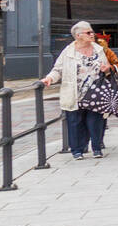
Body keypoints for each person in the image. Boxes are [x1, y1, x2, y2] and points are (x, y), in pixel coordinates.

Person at [42, 21, 112, 160]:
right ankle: (77, 150)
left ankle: (97, 148)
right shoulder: (68, 52)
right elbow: (58, 69)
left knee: (95, 121)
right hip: (75, 93)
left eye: (92, 32)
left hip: (95, 93)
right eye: (89, 32)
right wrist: (49, 78)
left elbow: (107, 66)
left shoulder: (98, 49)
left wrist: (107, 68)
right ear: (78, 35)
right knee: (75, 122)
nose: (92, 34)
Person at [90, 31, 118, 149]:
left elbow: (116, 63)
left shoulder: (104, 50)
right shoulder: (76, 50)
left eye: (91, 36)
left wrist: (109, 68)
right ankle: (84, 143)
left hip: (103, 84)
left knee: (101, 115)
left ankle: (99, 140)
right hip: (85, 87)